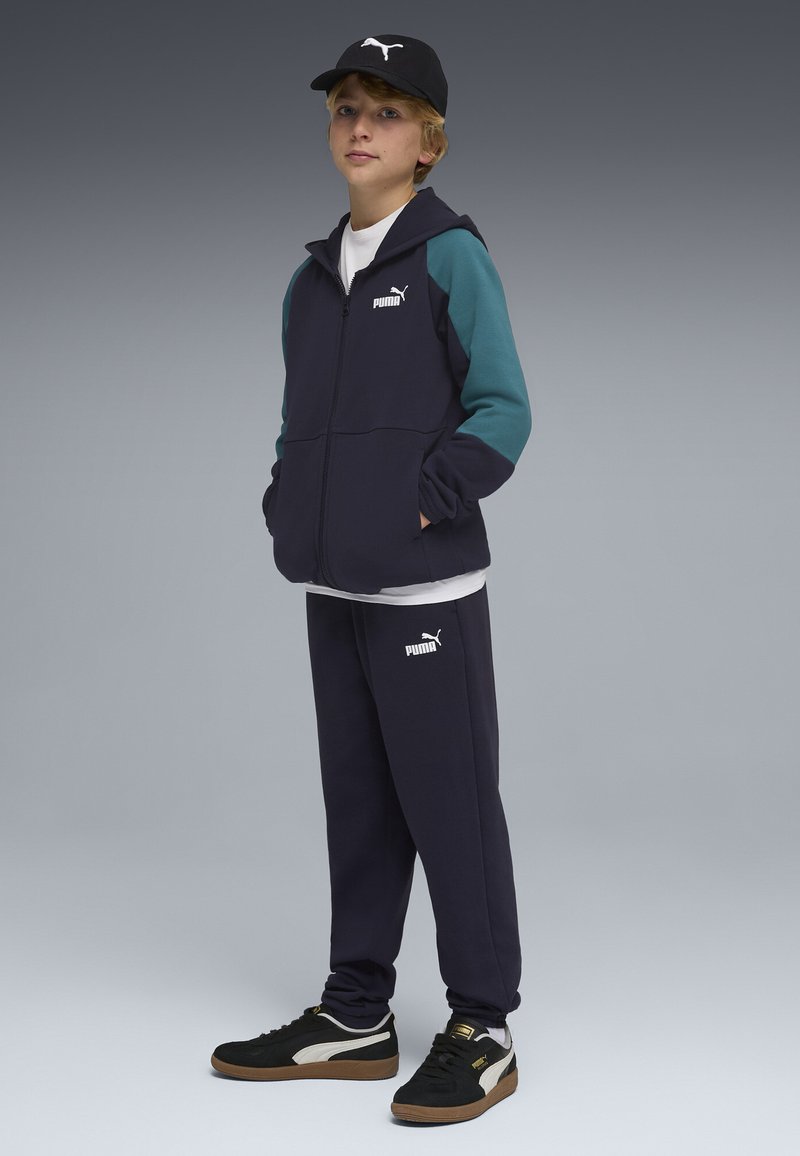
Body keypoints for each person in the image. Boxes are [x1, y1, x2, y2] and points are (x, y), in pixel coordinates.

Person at [211, 34, 532, 1125]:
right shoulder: (310, 281)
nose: (360, 126)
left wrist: (417, 503)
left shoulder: (450, 257)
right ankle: (356, 1011)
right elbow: (299, 426)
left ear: (427, 142)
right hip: (334, 589)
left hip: (424, 592)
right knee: (357, 805)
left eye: (386, 111)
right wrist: (288, 502)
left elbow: (502, 411)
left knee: (451, 808)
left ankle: (483, 1025)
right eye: (347, 107)